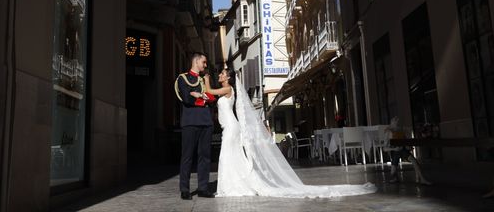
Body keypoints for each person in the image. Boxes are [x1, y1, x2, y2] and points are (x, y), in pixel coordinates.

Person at [202, 67, 377, 197]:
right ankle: (234, 184)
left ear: (229, 78)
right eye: (220, 74)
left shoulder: (228, 89)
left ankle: (232, 186)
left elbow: (209, 90)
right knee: (231, 156)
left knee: (227, 155)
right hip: (230, 128)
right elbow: (209, 95)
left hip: (231, 128)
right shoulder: (226, 91)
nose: (220, 75)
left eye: (222, 74)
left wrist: (206, 78)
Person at [174, 52, 216, 200]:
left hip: (206, 122)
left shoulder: (204, 79)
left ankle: (203, 188)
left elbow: (212, 97)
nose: (205, 65)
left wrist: (198, 96)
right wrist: (199, 97)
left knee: (205, 156)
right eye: (204, 62)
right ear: (196, 61)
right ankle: (184, 189)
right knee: (187, 156)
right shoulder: (183, 78)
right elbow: (186, 98)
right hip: (190, 122)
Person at [384, 116, 432, 185]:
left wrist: (408, 147)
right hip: (395, 152)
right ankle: (395, 177)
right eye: (395, 121)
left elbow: (405, 142)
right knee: (393, 175)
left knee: (414, 161)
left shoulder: (401, 130)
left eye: (398, 122)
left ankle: (422, 179)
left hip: (403, 150)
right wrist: (394, 149)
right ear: (391, 122)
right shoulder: (388, 132)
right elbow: (385, 148)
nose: (397, 123)